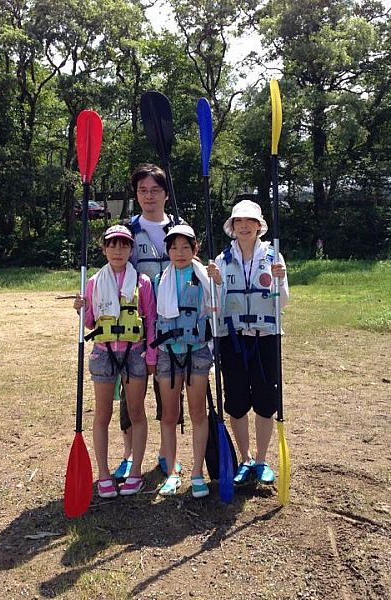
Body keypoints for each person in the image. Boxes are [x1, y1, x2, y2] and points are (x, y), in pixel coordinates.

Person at [206, 200, 289, 485]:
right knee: (237, 401)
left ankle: (262, 460)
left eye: (249, 221)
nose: (244, 226)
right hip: (233, 339)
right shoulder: (221, 260)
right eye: (238, 221)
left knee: (266, 402)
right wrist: (217, 282)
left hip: (266, 338)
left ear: (258, 225)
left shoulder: (274, 257)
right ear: (232, 226)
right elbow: (214, 306)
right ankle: (245, 458)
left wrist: (280, 280)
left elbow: (283, 302)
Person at [113, 164, 185, 482]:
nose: (149, 196)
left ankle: (168, 454)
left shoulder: (179, 228)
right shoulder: (127, 230)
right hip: (136, 325)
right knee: (131, 392)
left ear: (166, 194)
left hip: (171, 324)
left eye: (155, 190)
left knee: (169, 390)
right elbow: (115, 271)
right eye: (142, 190)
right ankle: (129, 454)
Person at [73, 224, 157, 498]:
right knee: (103, 414)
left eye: (124, 245)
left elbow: (151, 319)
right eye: (112, 245)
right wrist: (81, 308)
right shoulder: (94, 282)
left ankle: (136, 473)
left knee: (136, 413)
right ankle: (104, 474)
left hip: (134, 353)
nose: (118, 250)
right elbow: (90, 323)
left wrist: (151, 356)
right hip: (104, 353)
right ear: (104, 249)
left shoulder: (142, 282)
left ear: (131, 250)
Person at [152, 224, 213, 497]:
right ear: (167, 251)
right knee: (169, 414)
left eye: (185, 247)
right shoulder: (158, 281)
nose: (179, 253)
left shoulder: (205, 278)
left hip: (196, 351)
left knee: (198, 412)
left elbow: (218, 306)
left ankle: (197, 473)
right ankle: (172, 474)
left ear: (195, 249)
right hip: (168, 353)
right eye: (174, 247)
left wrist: (217, 280)